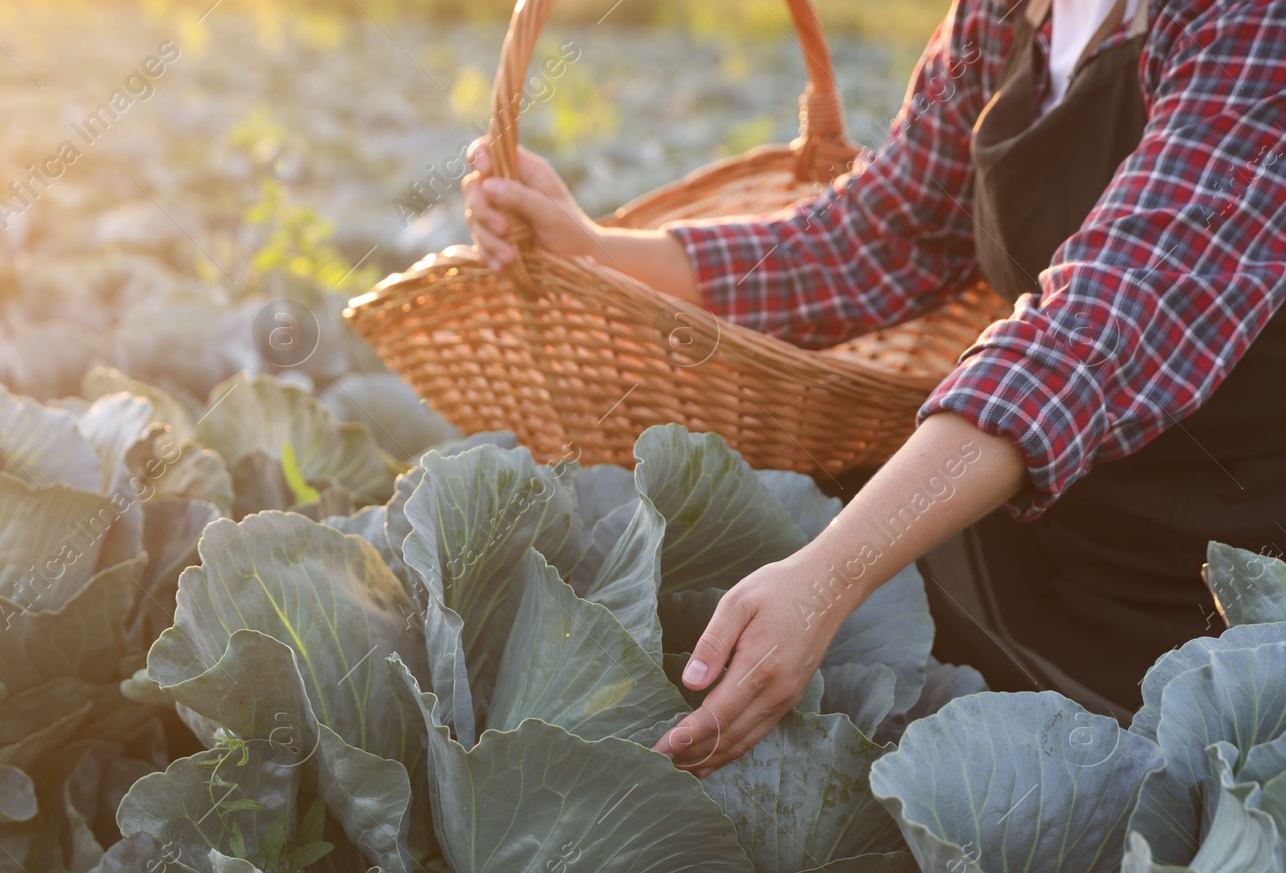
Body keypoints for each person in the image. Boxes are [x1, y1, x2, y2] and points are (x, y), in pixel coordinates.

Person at [460, 0, 1286, 774]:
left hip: (1214, 582)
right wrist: (598, 249)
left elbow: (1097, 327)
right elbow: (878, 234)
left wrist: (830, 573)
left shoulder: (1255, 24)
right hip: (1028, 520)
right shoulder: (1003, 15)